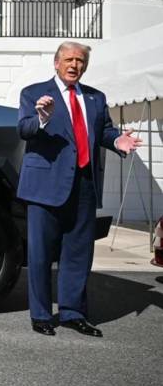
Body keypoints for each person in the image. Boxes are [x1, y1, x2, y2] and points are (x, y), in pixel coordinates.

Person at [17, 41, 142, 337]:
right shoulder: (34, 93)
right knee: (41, 254)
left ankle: (73, 313)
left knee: (79, 254)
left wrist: (116, 141)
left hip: (84, 185)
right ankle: (42, 315)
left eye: (80, 61)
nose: (75, 65)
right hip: (45, 186)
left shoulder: (96, 98)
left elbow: (105, 131)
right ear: (57, 63)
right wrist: (42, 118)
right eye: (69, 60)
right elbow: (24, 129)